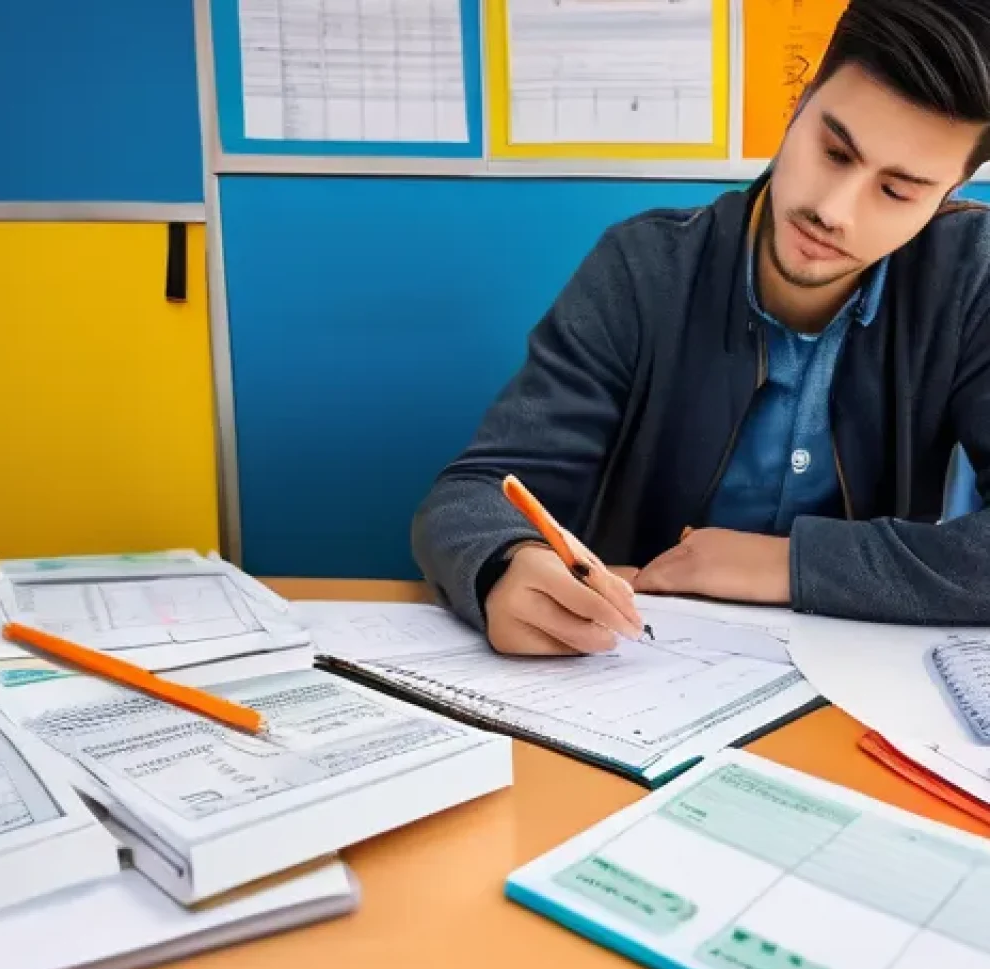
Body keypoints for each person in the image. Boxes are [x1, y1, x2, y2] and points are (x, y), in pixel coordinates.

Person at [412, 0, 990, 656]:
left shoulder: (971, 278)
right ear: (798, 107)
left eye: (897, 192)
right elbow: (474, 494)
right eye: (832, 150)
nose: (833, 211)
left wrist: (786, 565)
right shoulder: (643, 270)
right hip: (640, 663)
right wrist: (503, 563)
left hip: (862, 685)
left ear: (950, 196)